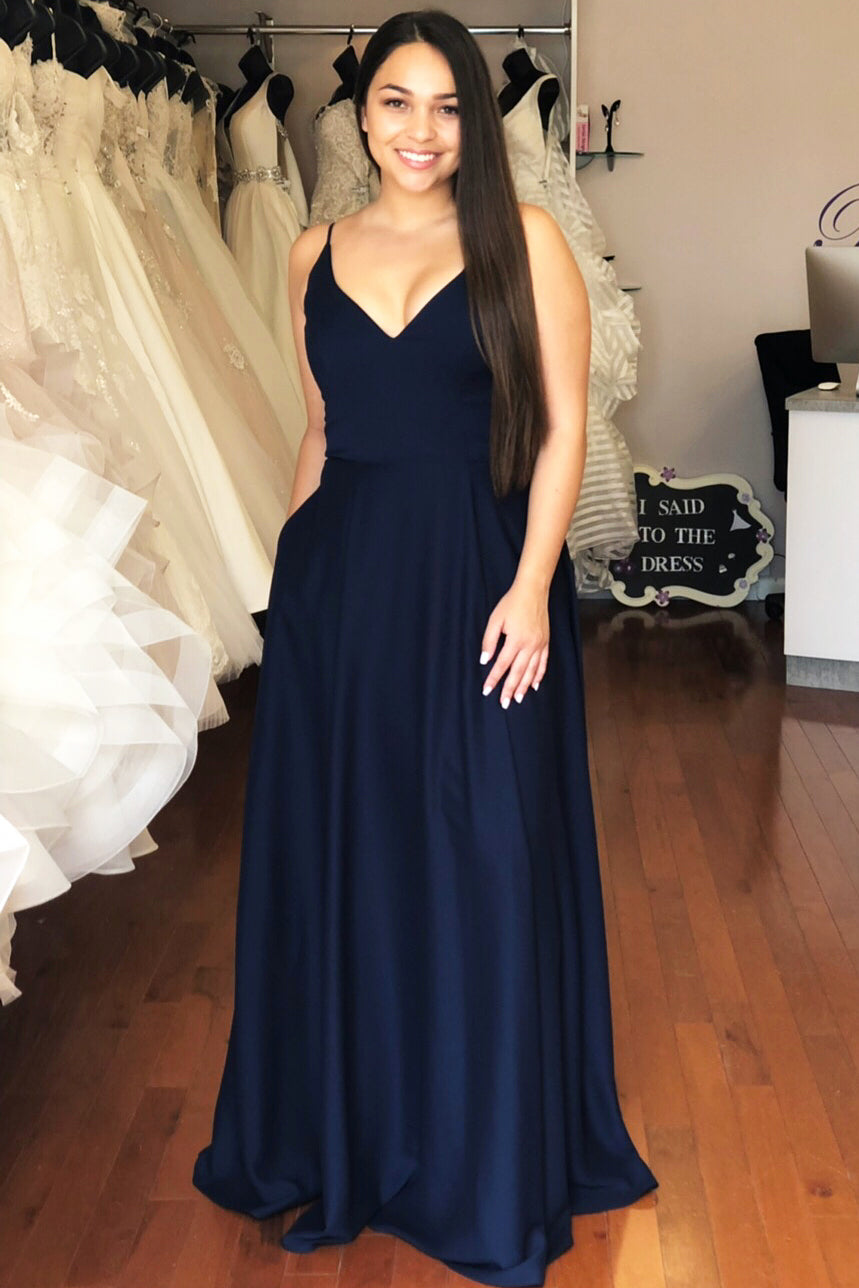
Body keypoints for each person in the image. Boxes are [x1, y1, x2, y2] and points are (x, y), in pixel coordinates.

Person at [192, 10, 658, 1286]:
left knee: (484, 853)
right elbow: (321, 431)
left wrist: (530, 585)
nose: (422, 130)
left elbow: (562, 429)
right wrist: (289, 592)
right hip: (340, 589)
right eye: (397, 103)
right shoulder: (310, 251)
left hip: (478, 578)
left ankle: (477, 1153)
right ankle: (353, 1128)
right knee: (352, 854)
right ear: (361, 114)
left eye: (449, 107)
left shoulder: (526, 242)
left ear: (475, 124)